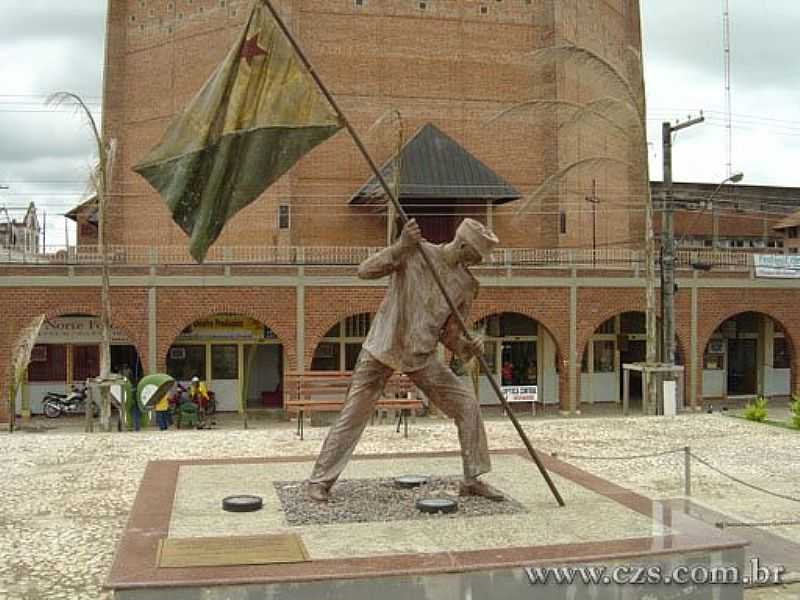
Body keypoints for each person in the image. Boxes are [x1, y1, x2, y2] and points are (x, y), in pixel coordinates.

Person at [306, 218, 503, 502]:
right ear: (463, 246)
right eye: (477, 256)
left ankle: (473, 478)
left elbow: (449, 335)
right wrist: (400, 246)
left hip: (420, 356)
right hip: (383, 347)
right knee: (353, 415)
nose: (480, 262)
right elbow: (364, 271)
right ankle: (320, 481)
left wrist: (467, 346)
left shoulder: (467, 285)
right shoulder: (415, 252)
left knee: (467, 404)